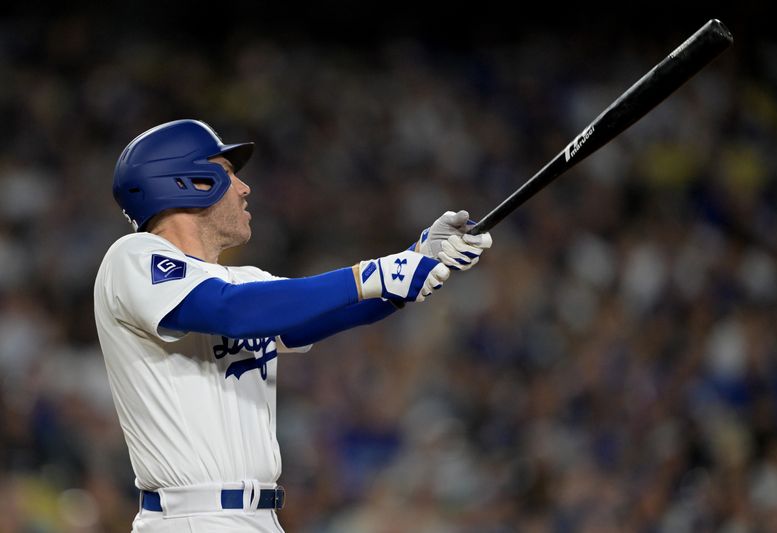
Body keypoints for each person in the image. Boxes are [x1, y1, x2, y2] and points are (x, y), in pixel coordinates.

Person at [93, 119, 492, 533]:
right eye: (228, 173)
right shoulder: (134, 257)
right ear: (189, 182)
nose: (244, 189)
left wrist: (419, 259)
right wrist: (376, 274)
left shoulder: (244, 282)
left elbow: (320, 313)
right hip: (191, 517)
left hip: (256, 518)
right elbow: (231, 312)